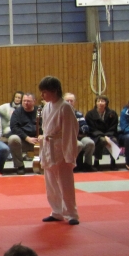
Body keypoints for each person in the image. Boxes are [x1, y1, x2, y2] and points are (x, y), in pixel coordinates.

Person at [39, 76, 80, 225]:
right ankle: (57, 212)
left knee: (65, 183)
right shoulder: (47, 107)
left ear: (55, 90)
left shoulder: (65, 107)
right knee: (51, 184)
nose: (42, 95)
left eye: (45, 92)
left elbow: (70, 132)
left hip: (61, 148)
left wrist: (69, 154)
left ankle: (71, 214)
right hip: (48, 147)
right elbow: (45, 129)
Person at [8, 93, 40, 175]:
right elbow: (14, 128)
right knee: (13, 139)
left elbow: (47, 125)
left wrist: (42, 135)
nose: (26, 103)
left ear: (34, 101)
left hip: (39, 140)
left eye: (28, 101)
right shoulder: (17, 112)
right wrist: (27, 138)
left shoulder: (40, 111)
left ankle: (44, 165)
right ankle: (20, 166)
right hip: (23, 140)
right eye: (24, 101)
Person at [85, 95, 119, 170]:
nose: (100, 103)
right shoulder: (90, 114)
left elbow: (113, 127)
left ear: (106, 103)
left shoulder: (112, 113)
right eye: (98, 101)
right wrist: (102, 136)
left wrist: (107, 135)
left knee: (114, 140)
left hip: (109, 134)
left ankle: (113, 162)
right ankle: (96, 161)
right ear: (96, 103)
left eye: (102, 101)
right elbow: (91, 128)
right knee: (101, 140)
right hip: (95, 135)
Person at [64, 93, 96, 172]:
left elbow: (85, 127)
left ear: (74, 102)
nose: (69, 102)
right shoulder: (61, 113)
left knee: (90, 143)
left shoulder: (78, 114)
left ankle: (88, 164)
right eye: (67, 101)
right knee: (78, 145)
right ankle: (71, 165)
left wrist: (76, 130)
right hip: (66, 138)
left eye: (71, 101)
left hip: (79, 136)